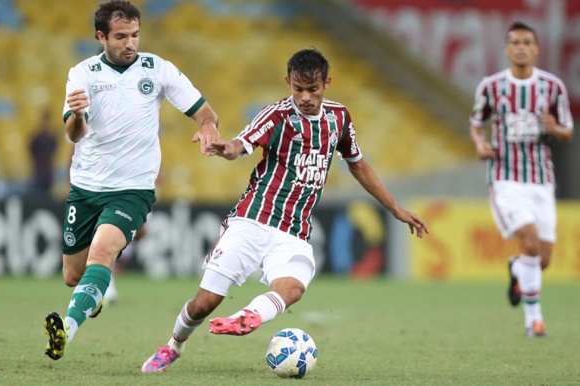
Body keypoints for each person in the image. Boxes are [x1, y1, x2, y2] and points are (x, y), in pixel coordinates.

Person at [141, 48, 429, 373]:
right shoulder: (276, 115)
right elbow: (240, 145)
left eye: (313, 89)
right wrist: (226, 148)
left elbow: (358, 165)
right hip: (252, 221)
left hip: (294, 232)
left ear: (327, 83)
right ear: (288, 82)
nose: (305, 97)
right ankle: (173, 346)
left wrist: (395, 209)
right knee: (203, 304)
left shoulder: (339, 118)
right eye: (298, 89)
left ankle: (249, 316)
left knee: (292, 288)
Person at [43, 0, 220, 361]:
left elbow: (204, 111)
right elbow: (74, 134)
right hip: (86, 187)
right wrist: (77, 114)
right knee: (74, 275)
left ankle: (66, 329)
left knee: (103, 252)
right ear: (101, 36)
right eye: (121, 36)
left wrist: (208, 127)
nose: (131, 44)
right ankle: (91, 296)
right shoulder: (83, 74)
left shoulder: (157, 69)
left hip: (133, 189)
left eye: (135, 35)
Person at [469, 22, 573, 337]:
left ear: (536, 48)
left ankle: (517, 269)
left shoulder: (553, 87)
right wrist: (480, 144)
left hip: (541, 179)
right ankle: (534, 321)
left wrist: (555, 128)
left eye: (527, 42)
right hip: (505, 178)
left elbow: (568, 130)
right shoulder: (491, 86)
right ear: (507, 48)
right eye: (515, 42)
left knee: (541, 259)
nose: (521, 47)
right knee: (528, 239)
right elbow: (476, 123)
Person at [29, 109, 58, 197]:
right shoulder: (37, 138)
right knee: (38, 196)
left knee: (46, 196)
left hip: (48, 173)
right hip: (38, 172)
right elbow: (31, 152)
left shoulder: (52, 138)